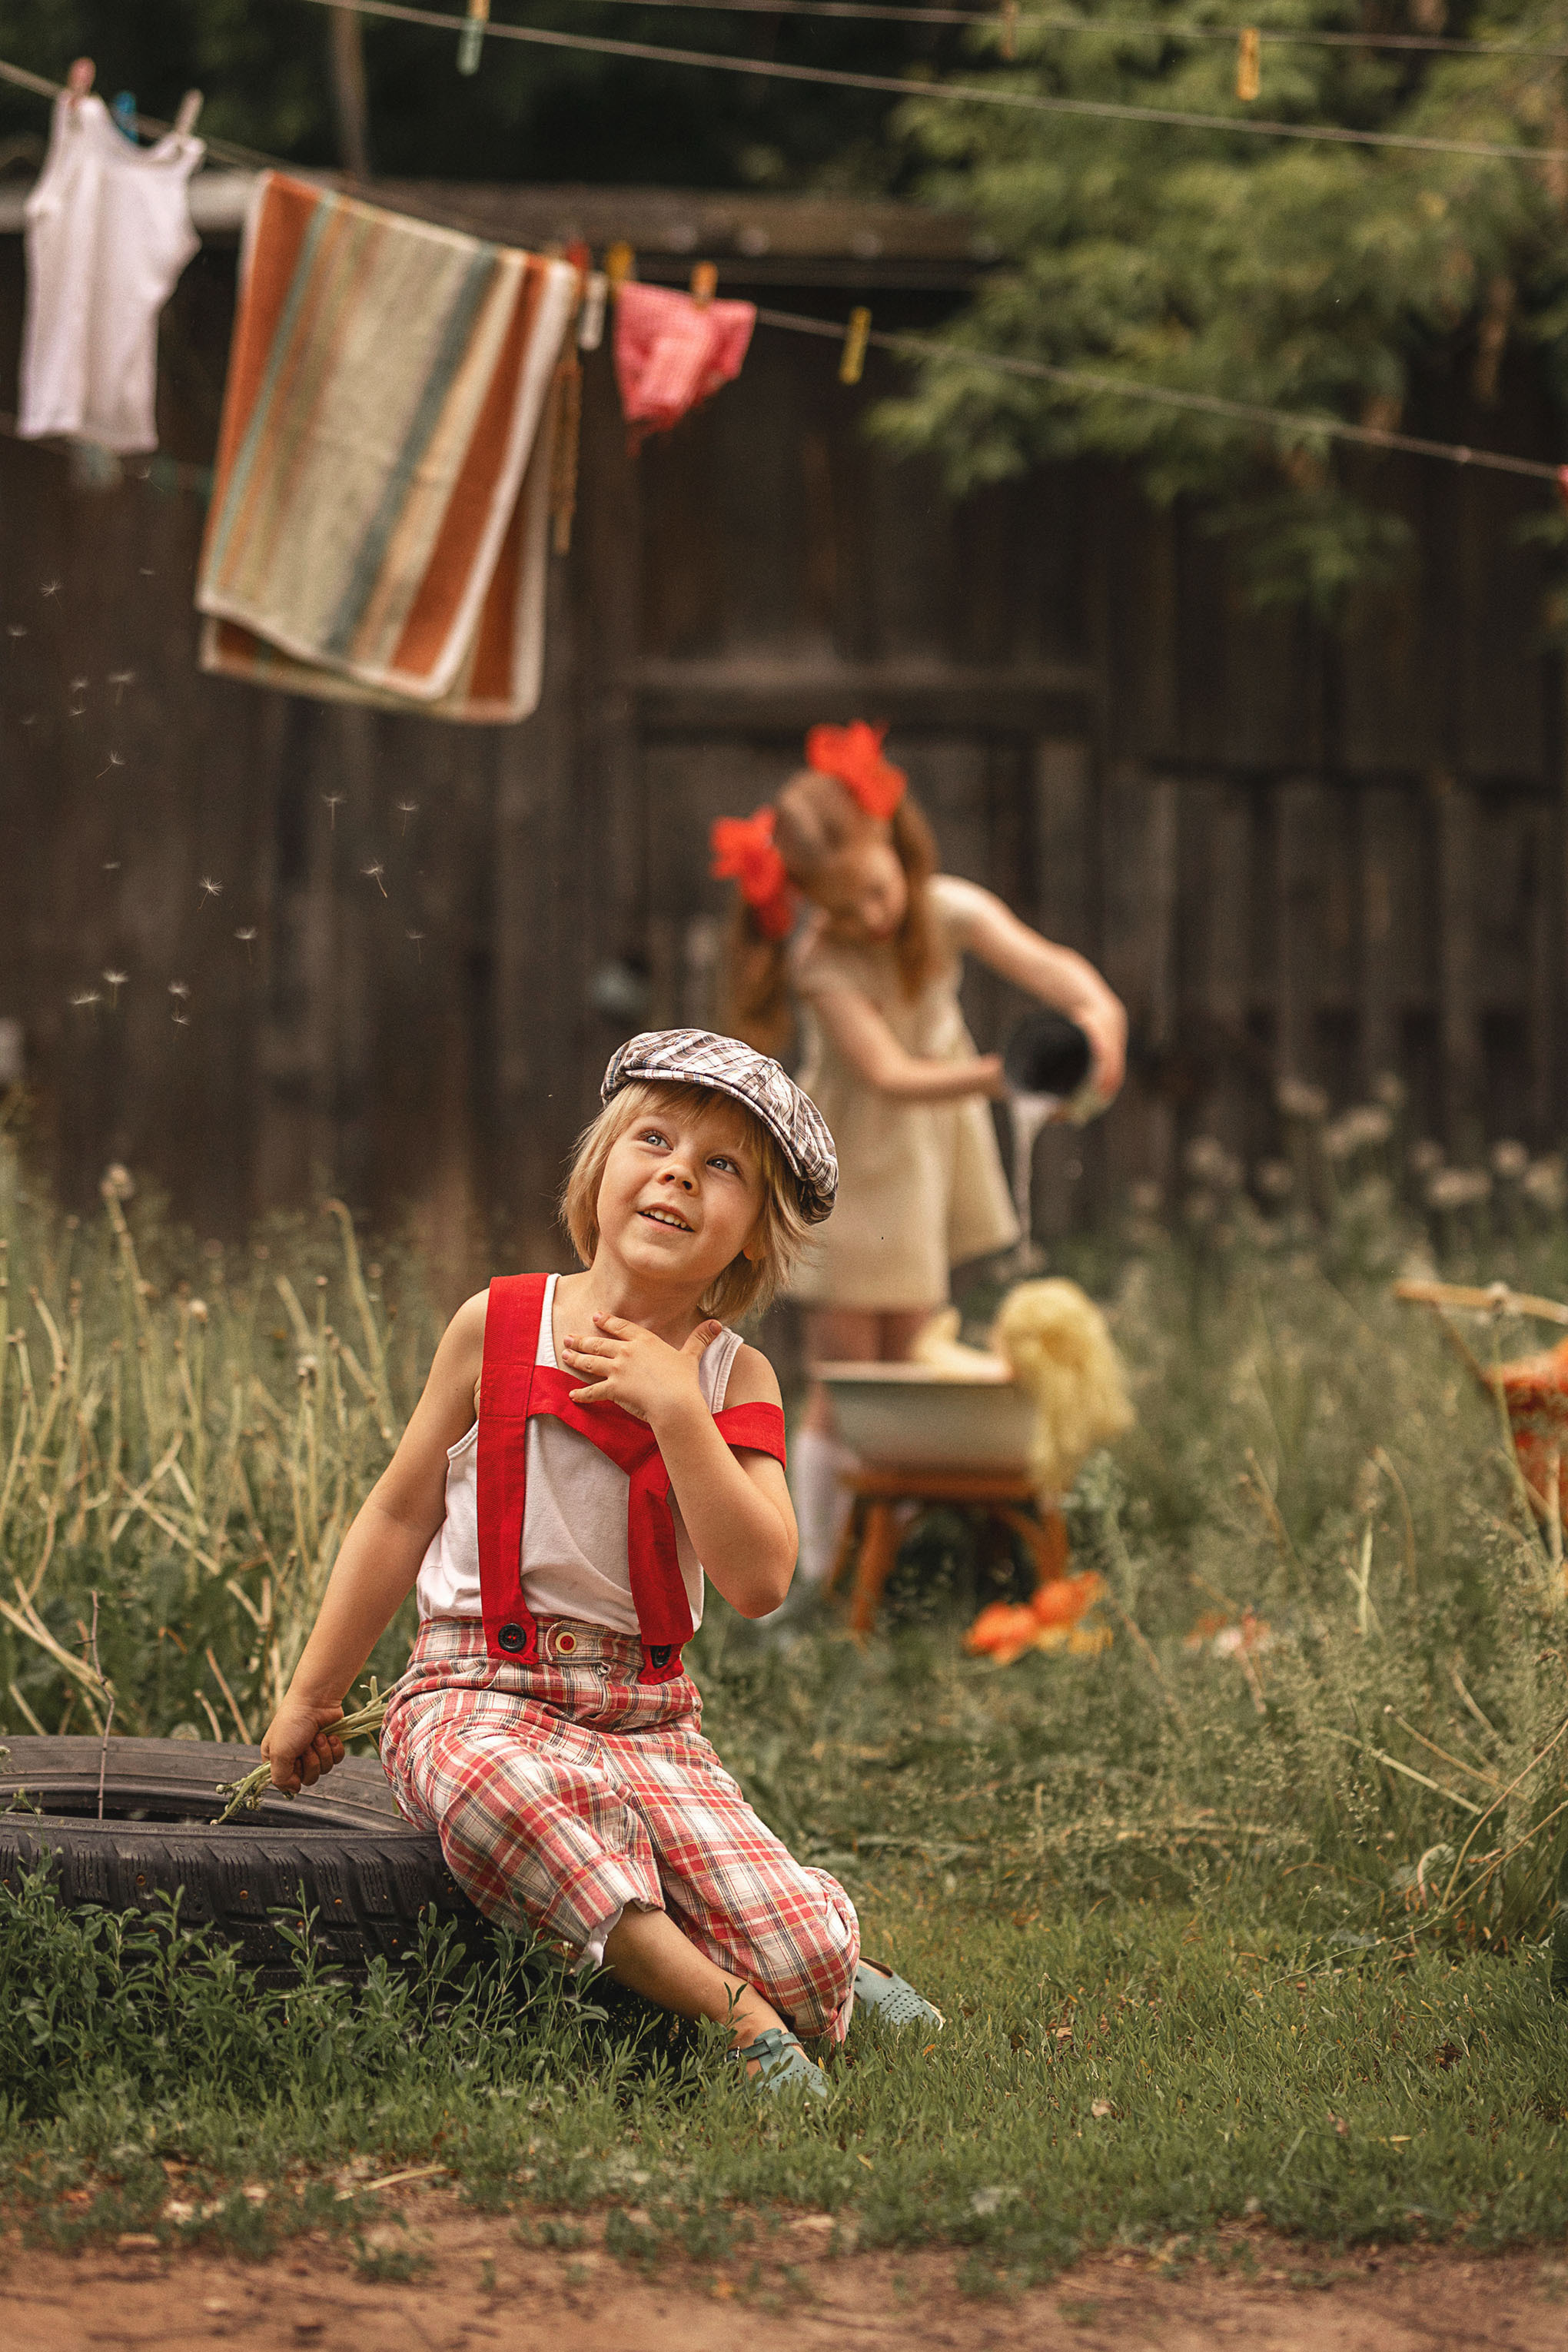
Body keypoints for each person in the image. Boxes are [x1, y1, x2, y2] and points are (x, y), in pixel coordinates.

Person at [259, 1028, 941, 2098]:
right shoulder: (497, 1325)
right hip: (477, 1691)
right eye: (655, 1141)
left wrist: (678, 1411)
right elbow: (397, 1513)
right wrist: (314, 1691)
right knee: (502, 1799)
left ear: (750, 1240)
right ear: (599, 1172)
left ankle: (834, 1963)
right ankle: (737, 2019)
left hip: (648, 1719)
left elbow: (761, 1581)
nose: (680, 1173)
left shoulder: (732, 1377)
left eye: (723, 1165)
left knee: (807, 1966)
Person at [712, 723, 1128, 1586]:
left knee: (909, 1360)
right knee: (846, 1377)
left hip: (922, 1163)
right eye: (843, 908)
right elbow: (891, 1077)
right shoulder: (822, 963)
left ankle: (893, 1557)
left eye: (875, 890)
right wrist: (1004, 1076)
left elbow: (1052, 967)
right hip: (851, 1163)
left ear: (889, 838)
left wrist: (1100, 1016)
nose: (871, 917)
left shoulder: (948, 909)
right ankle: (805, 1576)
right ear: (811, 905)